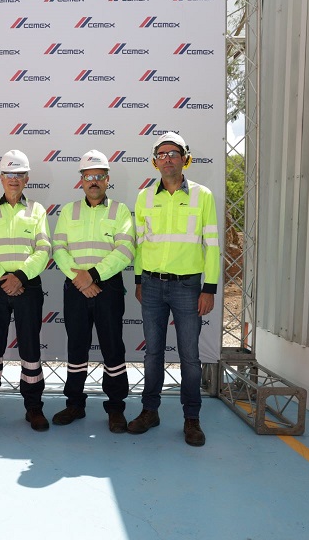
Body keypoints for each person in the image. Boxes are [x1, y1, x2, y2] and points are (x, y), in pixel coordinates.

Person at [130, 132, 220, 447]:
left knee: (190, 357)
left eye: (174, 153)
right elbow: (140, 243)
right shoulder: (144, 197)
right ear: (155, 162)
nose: (168, 158)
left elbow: (212, 245)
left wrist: (208, 288)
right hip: (152, 286)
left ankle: (191, 419)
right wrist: (139, 280)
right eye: (162, 154)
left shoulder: (203, 195)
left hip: (188, 288)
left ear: (184, 158)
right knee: (153, 353)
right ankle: (149, 411)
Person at [51, 149, 135, 433]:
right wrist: (80, 279)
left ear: (108, 180)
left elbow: (125, 250)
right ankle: (75, 404)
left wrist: (93, 276)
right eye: (89, 176)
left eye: (99, 176)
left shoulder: (120, 211)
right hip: (76, 287)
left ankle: (115, 409)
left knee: (113, 348)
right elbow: (59, 249)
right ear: (82, 181)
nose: (94, 181)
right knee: (76, 347)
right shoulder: (69, 211)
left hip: (107, 287)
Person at [0, 150, 52, 432]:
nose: (14, 180)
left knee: (30, 350)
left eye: (19, 175)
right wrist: (3, 278)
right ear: (1, 178)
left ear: (27, 178)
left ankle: (34, 408)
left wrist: (19, 276)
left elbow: (44, 250)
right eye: (9, 174)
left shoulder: (38, 210)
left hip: (28, 286)